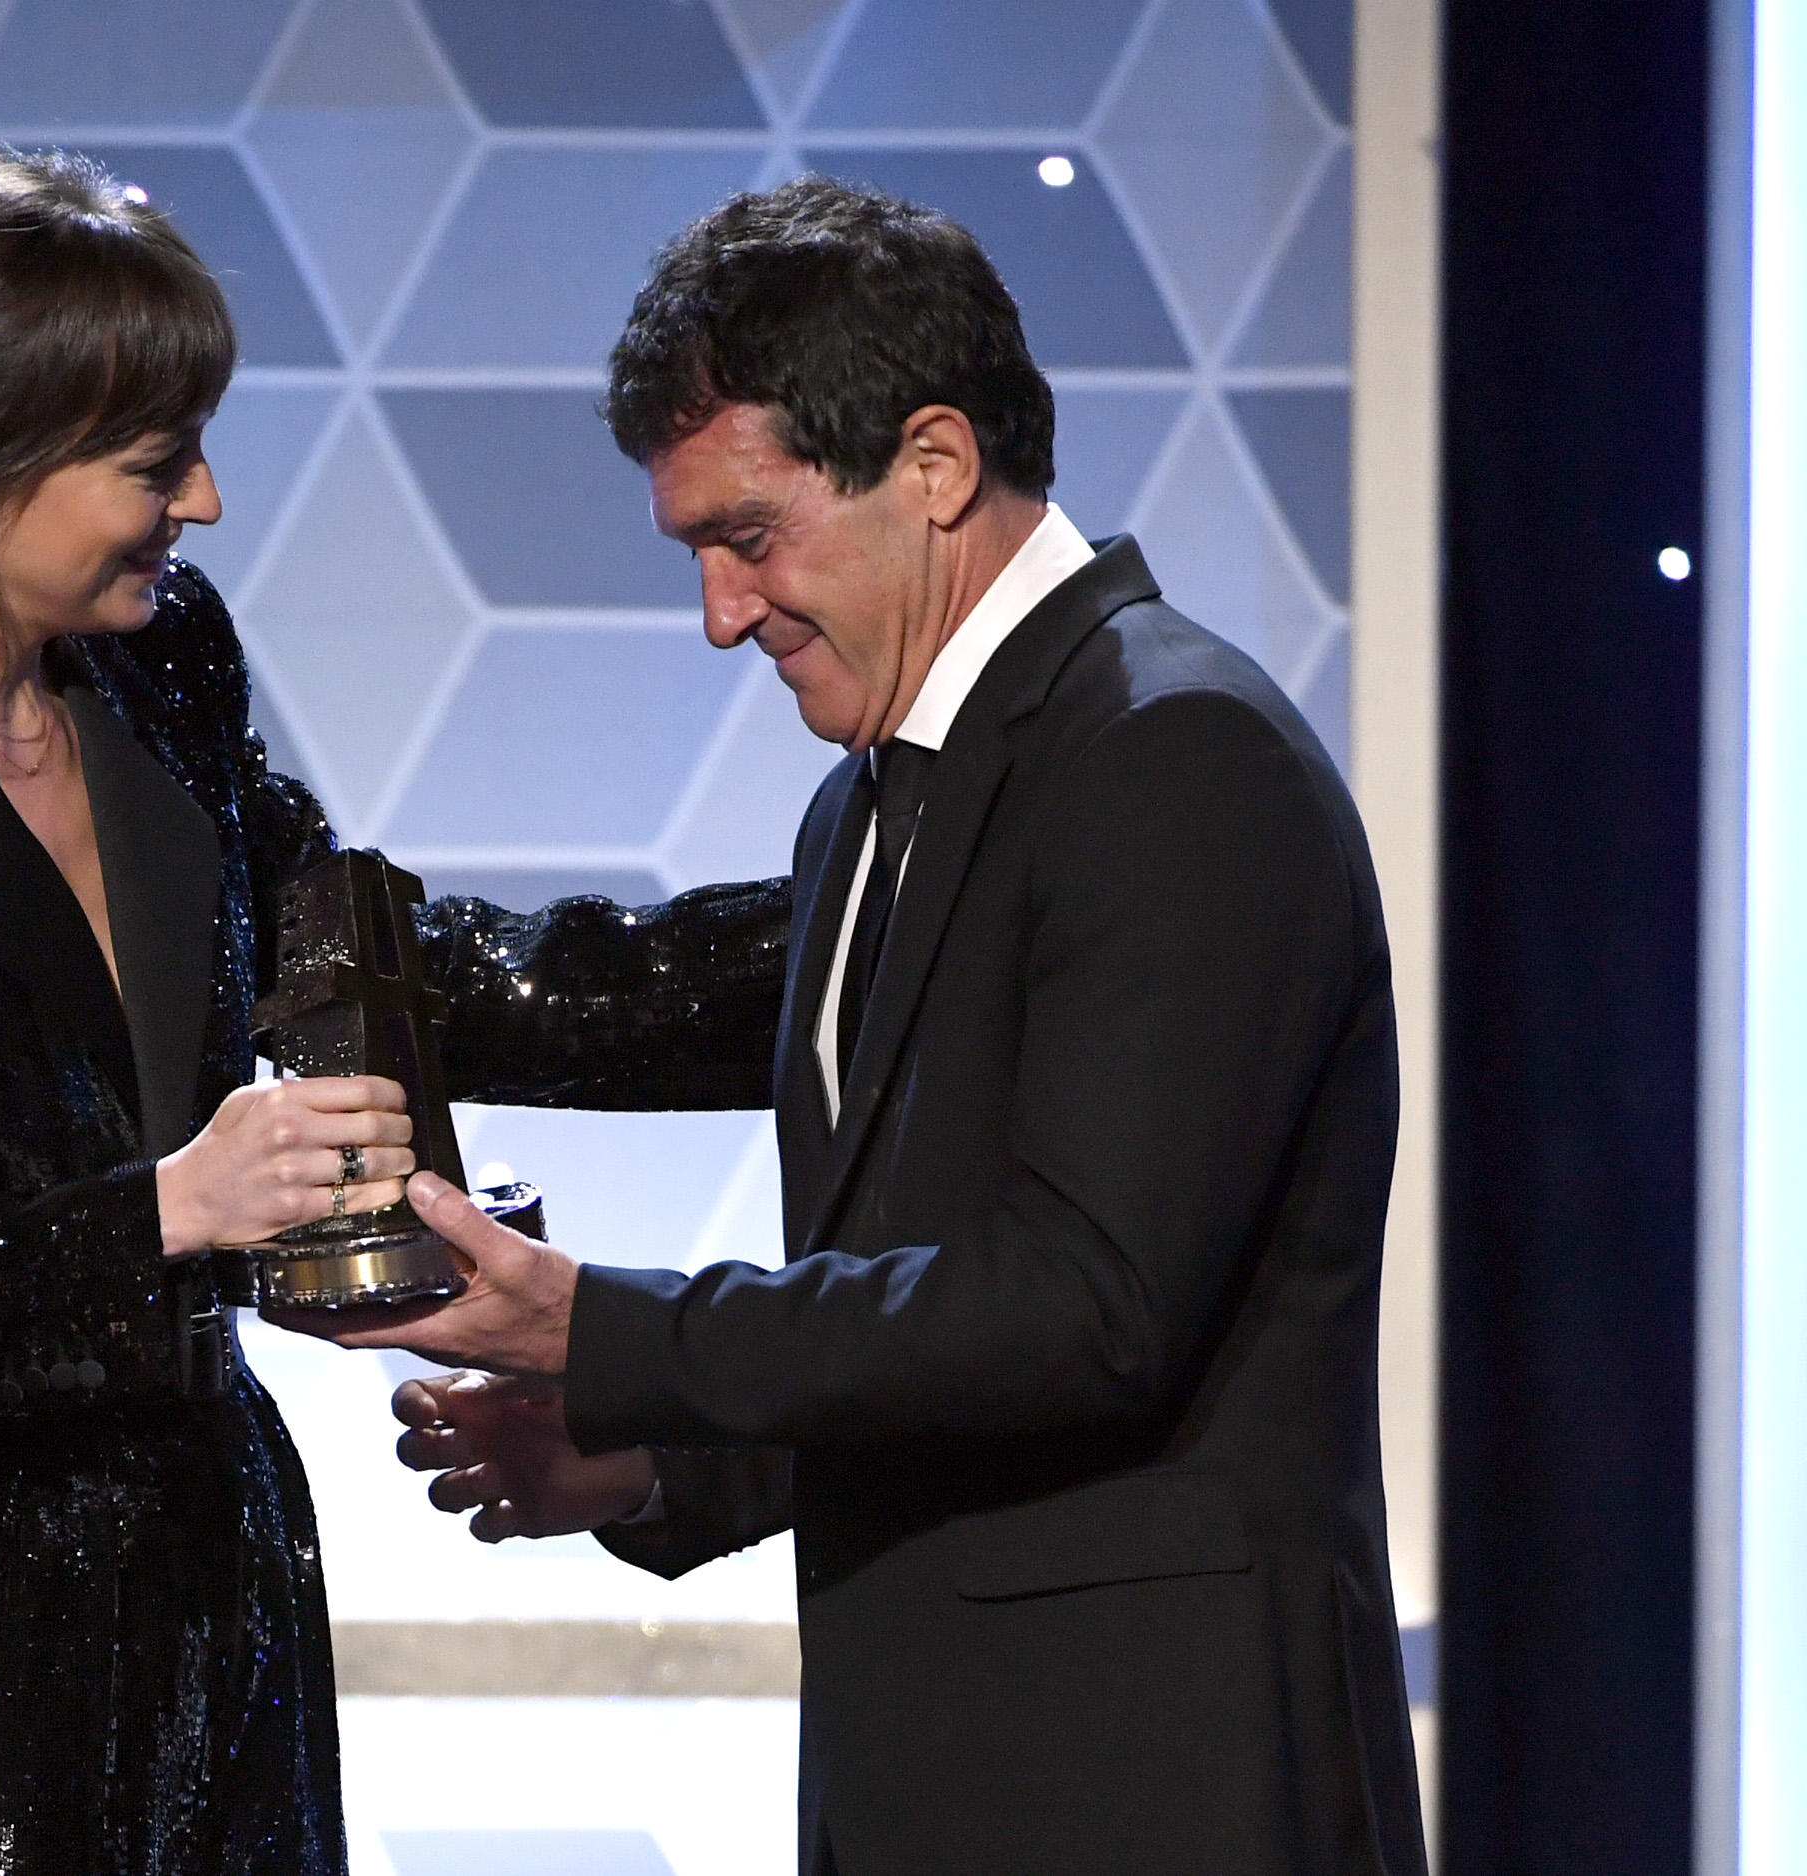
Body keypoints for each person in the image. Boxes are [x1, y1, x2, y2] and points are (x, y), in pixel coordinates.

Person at [0, 144, 787, 1876]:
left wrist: (862, 938)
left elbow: (395, 974)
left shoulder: (162, 674)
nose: (207, 502)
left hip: (228, 1597)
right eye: (156, 464)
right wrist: (174, 1210)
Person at [297, 178, 1428, 1876]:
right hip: (937, 1776)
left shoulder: (1181, 759)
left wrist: (596, 1330)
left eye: (748, 539)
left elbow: (1085, 1311)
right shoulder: (876, 806)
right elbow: (922, 1333)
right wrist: (656, 1476)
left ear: (935, 467)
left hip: (1158, 1785)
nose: (722, 615)